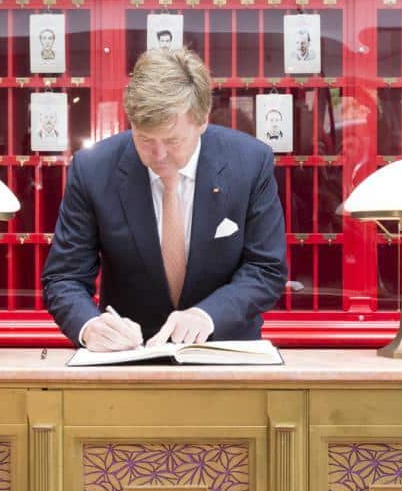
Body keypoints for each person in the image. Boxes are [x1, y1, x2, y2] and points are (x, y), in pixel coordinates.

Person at [41, 48, 287, 351]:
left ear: (202, 121)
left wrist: (206, 315)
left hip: (224, 349)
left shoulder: (250, 162)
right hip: (128, 356)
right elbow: (64, 277)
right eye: (144, 139)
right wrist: (90, 326)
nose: (158, 156)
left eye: (173, 141)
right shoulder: (93, 169)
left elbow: (266, 268)